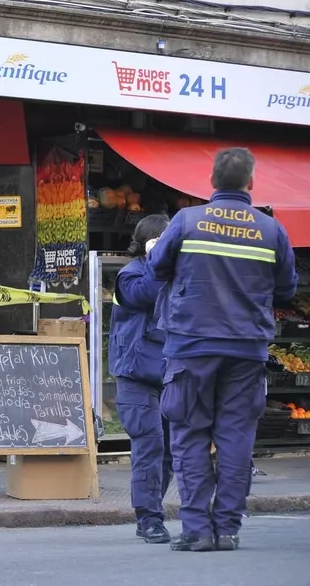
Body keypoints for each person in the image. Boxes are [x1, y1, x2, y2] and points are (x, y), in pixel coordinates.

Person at [148, 148, 298, 552]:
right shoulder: (271, 230)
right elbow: (286, 288)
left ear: (211, 183)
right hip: (247, 350)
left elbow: (156, 269)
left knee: (190, 434)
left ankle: (196, 530)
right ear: (251, 184)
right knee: (235, 439)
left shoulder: (187, 221)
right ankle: (228, 529)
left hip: (191, 346)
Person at [108, 214, 173, 544]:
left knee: (170, 452)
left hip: (170, 375)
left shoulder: (174, 275)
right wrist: (161, 260)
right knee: (150, 446)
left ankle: (152, 508)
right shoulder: (130, 275)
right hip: (136, 376)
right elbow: (145, 295)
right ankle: (149, 518)